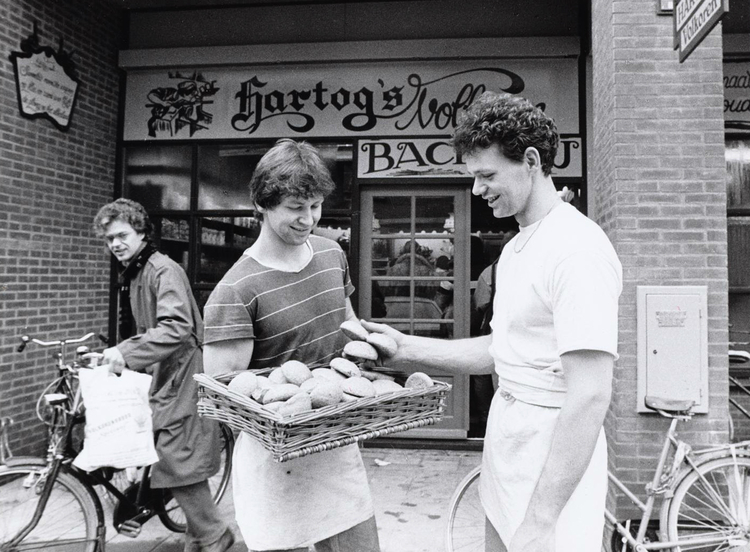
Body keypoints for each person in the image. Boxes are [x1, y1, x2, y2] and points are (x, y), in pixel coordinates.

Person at [362, 92, 622, 552]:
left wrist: (542, 520)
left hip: (551, 465)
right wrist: (402, 347)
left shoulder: (577, 249)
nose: (477, 190)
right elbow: (500, 349)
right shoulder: (518, 247)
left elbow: (590, 393)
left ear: (531, 160)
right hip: (509, 447)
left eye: (486, 175)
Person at [202, 139, 380, 552]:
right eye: (296, 208)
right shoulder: (235, 291)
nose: (309, 219)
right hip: (275, 464)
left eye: (315, 206)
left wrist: (371, 352)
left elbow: (348, 327)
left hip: (337, 443)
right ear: (263, 204)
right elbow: (228, 403)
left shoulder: (331, 254)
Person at [94, 199, 234, 552]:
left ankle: (215, 534)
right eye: (110, 239)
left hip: (183, 374)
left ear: (141, 231)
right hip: (166, 375)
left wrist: (125, 353)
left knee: (176, 458)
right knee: (170, 456)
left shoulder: (162, 270)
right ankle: (198, 535)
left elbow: (176, 327)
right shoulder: (138, 272)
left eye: (123, 235)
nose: (116, 244)